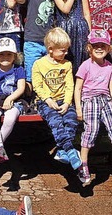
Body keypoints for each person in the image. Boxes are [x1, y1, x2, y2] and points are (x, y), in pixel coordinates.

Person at [74, 29, 112, 185]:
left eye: (102, 46)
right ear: (89, 48)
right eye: (95, 45)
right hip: (90, 100)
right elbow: (78, 88)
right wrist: (78, 108)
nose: (99, 48)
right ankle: (83, 163)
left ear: (108, 48)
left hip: (105, 100)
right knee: (92, 129)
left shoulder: (109, 67)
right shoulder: (85, 66)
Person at [31, 28, 81, 170]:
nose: (66, 53)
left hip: (63, 101)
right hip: (46, 102)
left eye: (66, 50)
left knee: (71, 120)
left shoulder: (67, 64)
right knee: (56, 122)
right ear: (51, 49)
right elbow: (37, 85)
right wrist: (47, 100)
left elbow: (69, 85)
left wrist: (66, 102)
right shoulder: (39, 64)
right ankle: (71, 151)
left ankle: (61, 150)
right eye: (62, 51)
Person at [14, 0, 55, 89]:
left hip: (48, 42)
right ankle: (30, 97)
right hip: (32, 41)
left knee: (47, 71)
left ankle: (43, 96)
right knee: (30, 72)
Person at [0, 37, 26, 163]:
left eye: (9, 54)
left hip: (14, 101)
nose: (5, 57)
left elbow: (21, 88)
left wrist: (10, 98)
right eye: (1, 54)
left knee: (10, 117)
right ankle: (0, 147)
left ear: (15, 56)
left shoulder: (19, 70)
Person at [53, 0, 89, 75]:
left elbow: (86, 13)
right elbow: (65, 9)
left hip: (80, 30)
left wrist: (90, 32)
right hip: (65, 31)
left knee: (80, 57)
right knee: (65, 58)